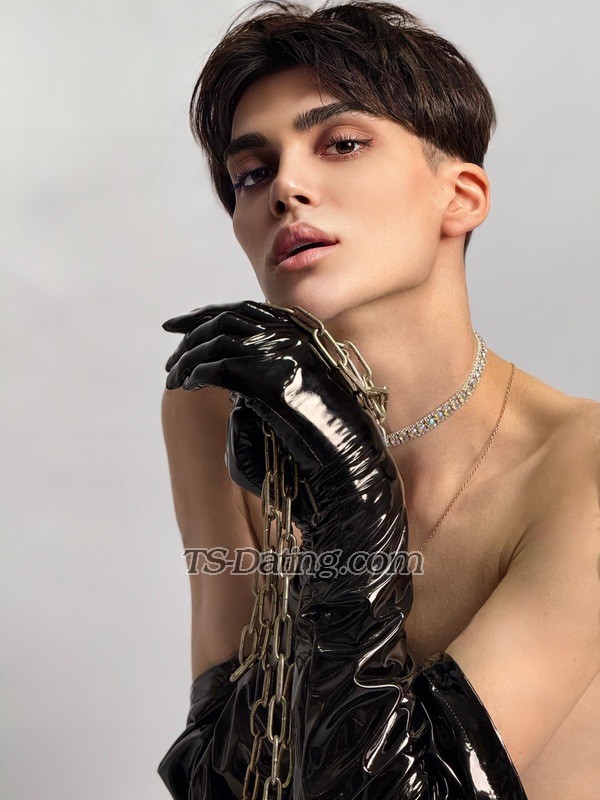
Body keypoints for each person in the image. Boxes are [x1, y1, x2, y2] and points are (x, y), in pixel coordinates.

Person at [157, 2, 600, 798]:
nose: (287, 187)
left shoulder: (582, 467)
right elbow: (224, 778)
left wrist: (351, 505)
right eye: (252, 172)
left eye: (342, 143)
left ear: (460, 197)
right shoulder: (215, 410)